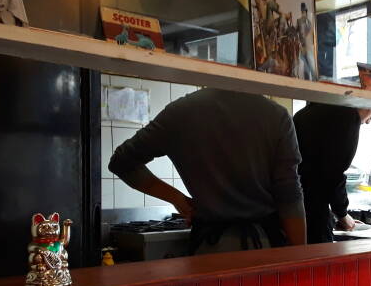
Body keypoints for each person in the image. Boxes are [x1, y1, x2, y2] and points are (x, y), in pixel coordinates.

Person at [109, 88, 306, 254]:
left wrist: (177, 198)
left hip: (208, 250)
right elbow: (289, 197)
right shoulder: (276, 116)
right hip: (264, 248)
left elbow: (122, 162)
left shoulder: (181, 112)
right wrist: (300, 261)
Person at [293, 102, 371, 244]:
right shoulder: (348, 116)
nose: (367, 122)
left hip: (294, 204)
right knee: (319, 259)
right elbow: (334, 173)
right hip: (314, 209)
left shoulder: (305, 113)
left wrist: (338, 215)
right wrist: (342, 215)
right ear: (370, 108)